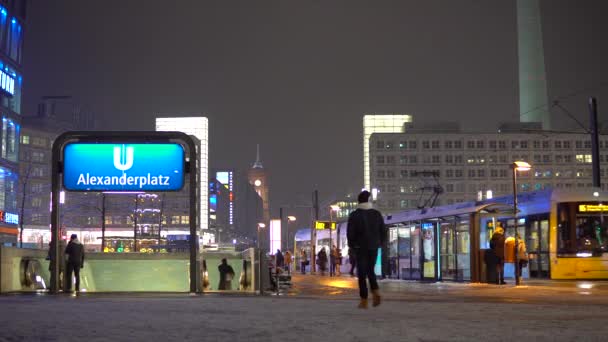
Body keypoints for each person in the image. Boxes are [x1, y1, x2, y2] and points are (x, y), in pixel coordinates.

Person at [347, 190, 386, 309]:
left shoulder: (354, 215)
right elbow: (383, 231)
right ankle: (376, 292)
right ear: (368, 201)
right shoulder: (376, 214)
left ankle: (364, 300)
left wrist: (352, 246)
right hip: (373, 247)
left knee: (362, 274)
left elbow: (350, 233)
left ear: (359, 201)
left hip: (360, 247)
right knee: (371, 271)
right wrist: (379, 243)